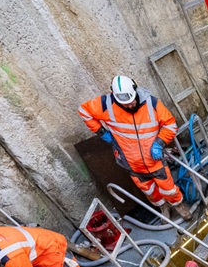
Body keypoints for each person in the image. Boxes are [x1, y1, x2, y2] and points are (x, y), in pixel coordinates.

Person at [79, 75, 190, 219]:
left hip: (154, 161)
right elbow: (84, 111)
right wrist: (102, 132)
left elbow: (170, 125)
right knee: (149, 191)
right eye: (125, 104)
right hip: (131, 163)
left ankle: (178, 205)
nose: (130, 106)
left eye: (132, 102)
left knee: (168, 188)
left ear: (135, 91)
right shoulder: (106, 104)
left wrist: (159, 143)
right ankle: (163, 207)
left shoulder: (152, 104)